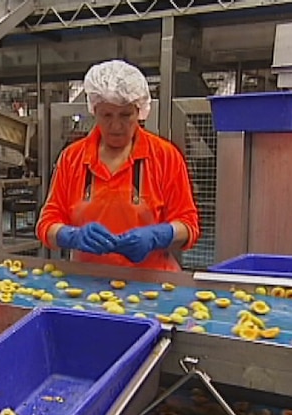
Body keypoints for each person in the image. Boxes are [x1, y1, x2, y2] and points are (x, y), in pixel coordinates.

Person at [36, 59, 200, 271]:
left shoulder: (165, 156)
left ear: (139, 111)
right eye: (106, 115)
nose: (116, 126)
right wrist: (72, 236)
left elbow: (188, 225)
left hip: (153, 287)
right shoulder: (72, 158)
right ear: (94, 111)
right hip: (86, 283)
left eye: (125, 115)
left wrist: (157, 236)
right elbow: (47, 223)